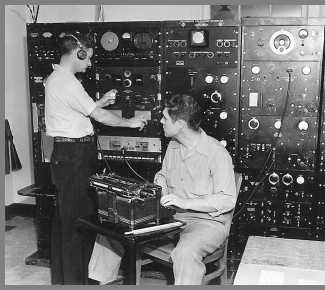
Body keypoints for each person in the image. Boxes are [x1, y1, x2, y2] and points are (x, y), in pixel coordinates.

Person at [88, 93, 236, 285]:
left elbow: (226, 200)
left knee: (185, 253)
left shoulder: (217, 154)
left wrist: (185, 202)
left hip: (206, 223)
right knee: (111, 229)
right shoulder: (174, 146)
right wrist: (160, 185)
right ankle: (99, 283)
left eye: (165, 118)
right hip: (170, 217)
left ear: (181, 124)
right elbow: (163, 175)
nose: (160, 121)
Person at [44, 33, 147, 285]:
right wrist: (130, 123)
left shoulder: (58, 79)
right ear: (78, 53)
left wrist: (99, 102)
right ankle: (75, 282)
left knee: (67, 220)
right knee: (77, 224)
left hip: (68, 154)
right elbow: (99, 117)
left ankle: (65, 279)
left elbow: (77, 111)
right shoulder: (67, 82)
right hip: (74, 156)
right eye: (87, 58)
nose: (89, 64)